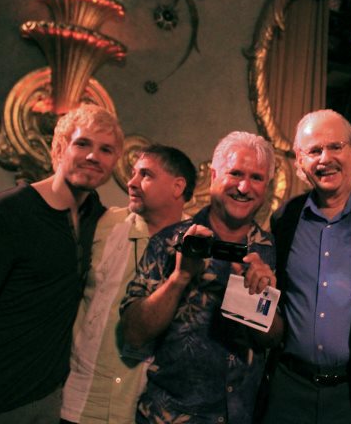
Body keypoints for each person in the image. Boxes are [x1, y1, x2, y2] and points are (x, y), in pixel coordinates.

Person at [0, 104, 124, 422]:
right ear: (60, 146)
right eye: (83, 144)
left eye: (106, 149)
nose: (94, 156)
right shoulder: (10, 211)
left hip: (47, 401)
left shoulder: (96, 216)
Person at [120, 131, 280, 424]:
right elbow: (133, 333)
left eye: (256, 178)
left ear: (266, 185)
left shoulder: (269, 249)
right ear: (215, 175)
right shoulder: (171, 241)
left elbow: (272, 339)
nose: (244, 187)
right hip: (170, 416)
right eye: (235, 173)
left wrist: (259, 299)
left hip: (242, 415)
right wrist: (180, 277)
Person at [260, 109, 351, 424]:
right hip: (288, 389)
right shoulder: (285, 220)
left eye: (335, 147)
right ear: (299, 161)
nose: (325, 158)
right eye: (314, 151)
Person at [61, 145, 197, 424]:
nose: (131, 182)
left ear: (177, 186)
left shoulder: (197, 246)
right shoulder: (102, 226)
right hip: (85, 402)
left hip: (152, 410)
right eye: (133, 174)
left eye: (145, 175)